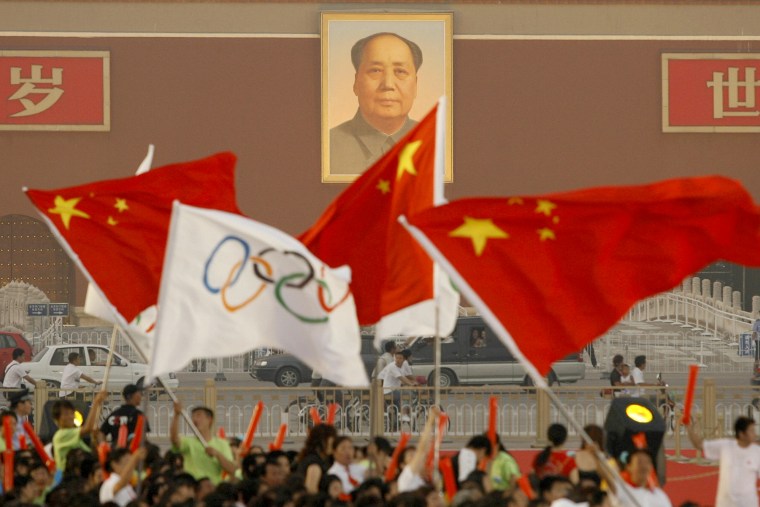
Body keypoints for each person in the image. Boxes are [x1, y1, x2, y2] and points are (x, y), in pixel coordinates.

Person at [329, 32, 422, 175]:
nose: (388, 84)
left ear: (415, 85)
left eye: (400, 71)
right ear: (356, 83)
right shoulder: (327, 147)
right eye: (375, 70)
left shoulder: (440, 145)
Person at [686, 415, 760, 507]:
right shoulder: (725, 446)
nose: (755, 434)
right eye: (751, 431)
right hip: (726, 503)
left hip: (748, 503)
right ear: (741, 434)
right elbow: (699, 445)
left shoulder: (757, 452)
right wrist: (689, 428)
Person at [170, 401, 237, 485]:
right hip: (193, 487)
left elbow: (232, 469)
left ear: (210, 419)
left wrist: (217, 454)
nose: (194, 419)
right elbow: (174, 440)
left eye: (198, 415)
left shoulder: (222, 444)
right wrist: (176, 415)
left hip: (213, 488)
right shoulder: (188, 442)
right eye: (193, 416)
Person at [51, 390, 108, 472]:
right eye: (66, 414)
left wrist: (95, 440)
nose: (71, 417)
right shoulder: (60, 435)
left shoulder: (74, 434)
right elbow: (88, 428)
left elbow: (90, 455)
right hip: (66, 478)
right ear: (57, 419)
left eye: (72, 413)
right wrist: (96, 402)